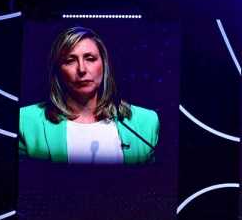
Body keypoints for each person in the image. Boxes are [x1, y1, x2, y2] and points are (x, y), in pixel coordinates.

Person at [19, 26, 159, 164]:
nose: (82, 69)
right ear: (57, 71)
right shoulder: (25, 121)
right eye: (70, 60)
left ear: (104, 65)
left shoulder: (146, 122)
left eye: (90, 58)